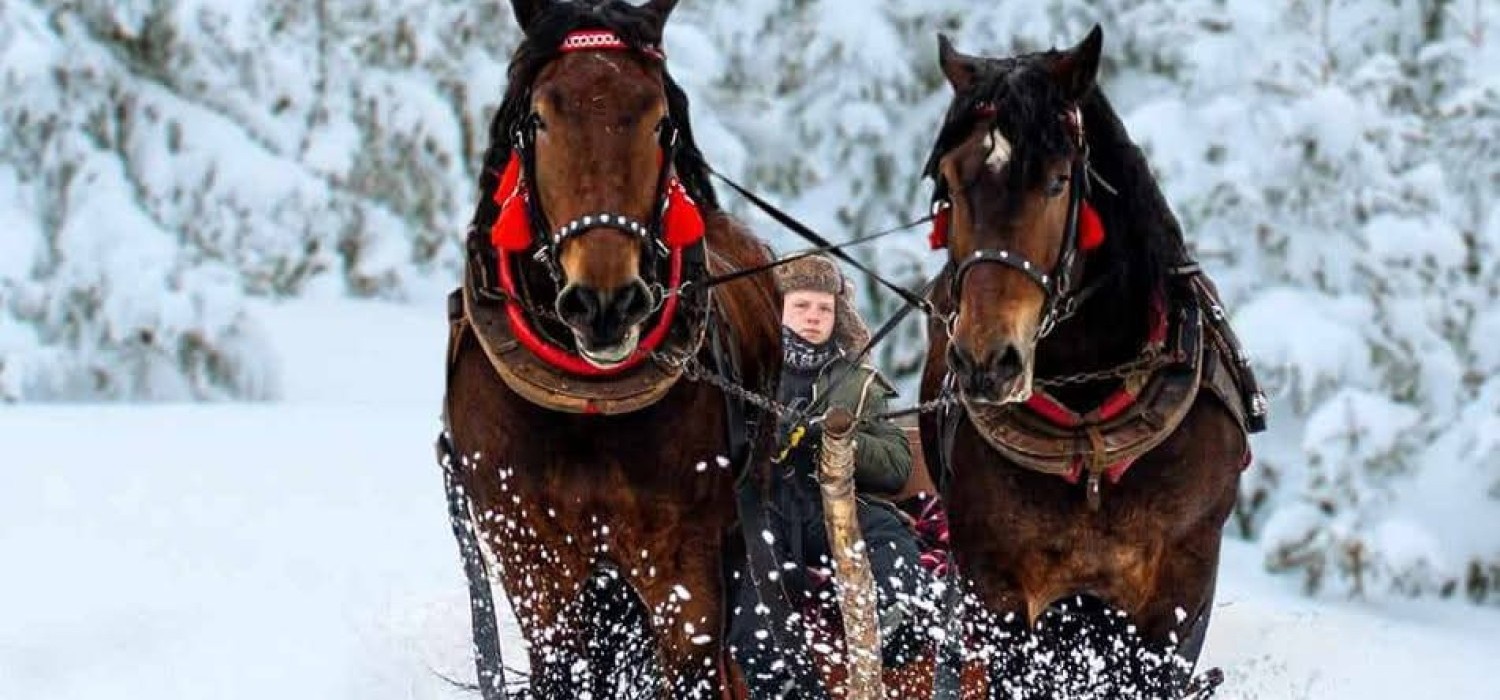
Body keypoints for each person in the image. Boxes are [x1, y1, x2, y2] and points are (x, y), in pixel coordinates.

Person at [728, 253, 923, 698]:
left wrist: (835, 440)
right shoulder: (744, 369)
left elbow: (896, 466)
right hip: (761, 509)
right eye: (801, 305)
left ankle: (899, 619)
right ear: (776, 309)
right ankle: (787, 683)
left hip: (835, 510)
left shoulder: (857, 382)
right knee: (753, 591)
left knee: (888, 533)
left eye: (824, 308)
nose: (814, 317)